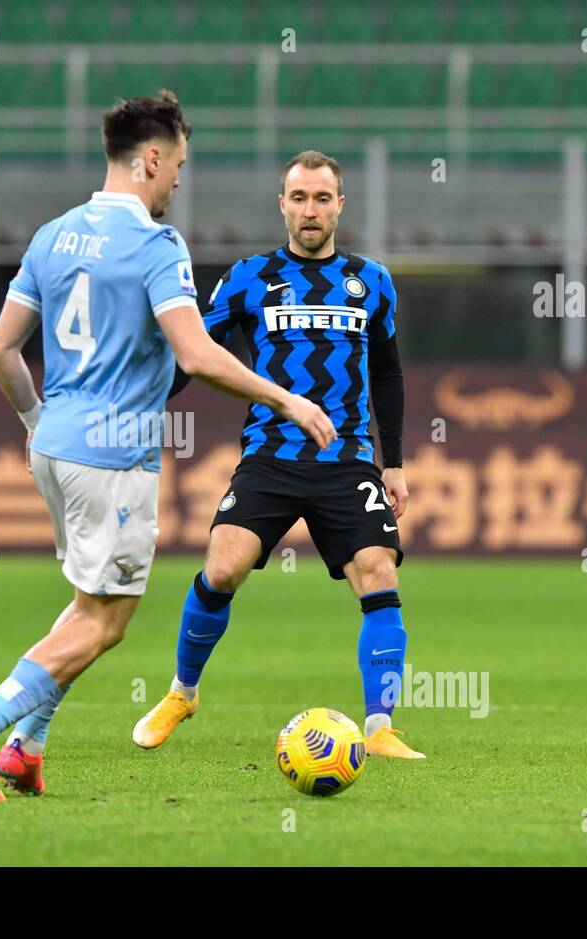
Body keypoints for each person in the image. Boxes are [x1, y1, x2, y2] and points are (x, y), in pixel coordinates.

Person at [0, 94, 337, 800]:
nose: (179, 180)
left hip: (53, 446)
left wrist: (35, 420)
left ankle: (27, 747)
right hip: (113, 455)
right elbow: (199, 354)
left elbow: (1, 351)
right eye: (178, 164)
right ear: (151, 158)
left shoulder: (52, 235)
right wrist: (286, 398)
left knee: (87, 605)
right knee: (109, 620)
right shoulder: (157, 245)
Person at [132, 150, 425, 760]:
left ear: (340, 204)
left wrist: (393, 461)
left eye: (322, 198)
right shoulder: (248, 277)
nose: (310, 210)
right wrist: (145, 402)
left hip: (347, 458)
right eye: (299, 198)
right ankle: (183, 692)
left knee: (380, 573)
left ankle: (380, 727)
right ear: (282, 205)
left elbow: (389, 375)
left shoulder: (372, 281)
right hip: (270, 452)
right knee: (224, 567)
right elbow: (194, 354)